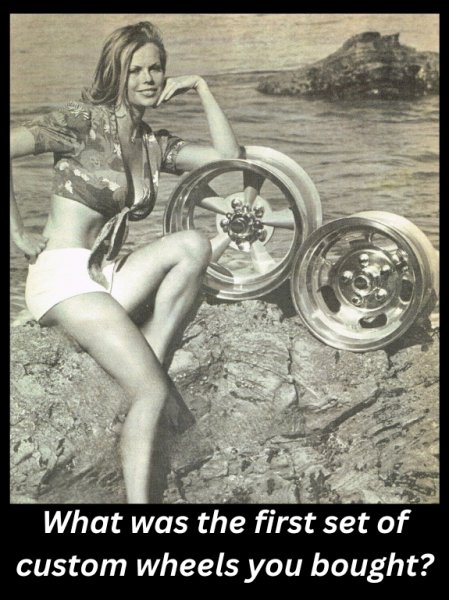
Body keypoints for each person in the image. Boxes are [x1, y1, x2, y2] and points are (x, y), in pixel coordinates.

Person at [10, 21, 241, 503]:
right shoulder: (80, 122)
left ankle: (149, 356)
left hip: (107, 276)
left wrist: (202, 87)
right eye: (135, 70)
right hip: (62, 279)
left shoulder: (153, 143)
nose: (148, 79)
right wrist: (16, 233)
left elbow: (228, 157)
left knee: (193, 245)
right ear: (114, 73)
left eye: (156, 68)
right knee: (151, 393)